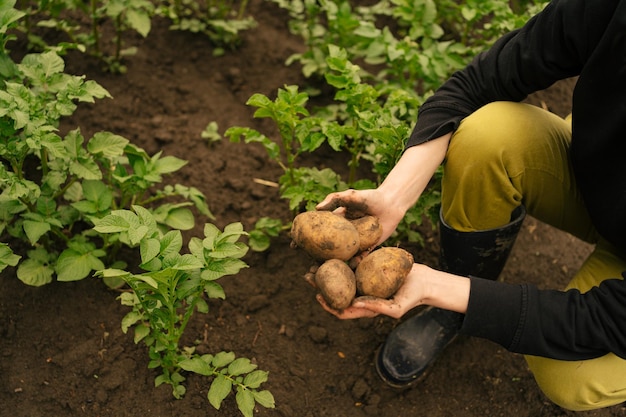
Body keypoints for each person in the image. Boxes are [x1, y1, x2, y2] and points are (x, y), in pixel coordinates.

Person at [313, 0, 626, 411]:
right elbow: (479, 82)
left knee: (570, 373)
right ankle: (454, 306)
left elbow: (605, 320)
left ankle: (454, 298)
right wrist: (395, 194)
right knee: (486, 135)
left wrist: (435, 288)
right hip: (606, 187)